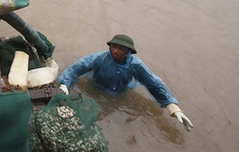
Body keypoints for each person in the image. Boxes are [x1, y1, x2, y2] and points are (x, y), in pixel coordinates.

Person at [58, 34, 194, 132]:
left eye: (121, 49)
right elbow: (77, 68)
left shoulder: (136, 65)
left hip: (119, 94)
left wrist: (172, 107)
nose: (116, 51)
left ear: (128, 51)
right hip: (96, 89)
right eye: (114, 47)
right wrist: (65, 85)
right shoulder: (100, 58)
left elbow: (154, 83)